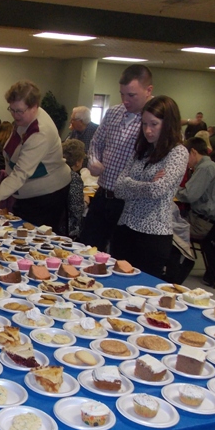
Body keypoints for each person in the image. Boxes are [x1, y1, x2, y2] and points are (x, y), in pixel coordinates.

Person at [110, 95, 189, 278]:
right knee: (116, 280)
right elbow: (119, 188)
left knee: (142, 287)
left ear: (168, 124)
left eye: (154, 124)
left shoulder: (177, 152)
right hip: (125, 227)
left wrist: (131, 183)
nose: (148, 130)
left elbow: (157, 190)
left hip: (153, 234)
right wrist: (146, 183)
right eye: (144, 124)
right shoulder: (142, 150)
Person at [81, 64, 154, 251]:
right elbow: (96, 143)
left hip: (129, 201)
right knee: (87, 247)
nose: (125, 100)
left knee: (119, 253)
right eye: (122, 94)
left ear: (148, 91)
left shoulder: (153, 121)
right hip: (103, 194)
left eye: (131, 95)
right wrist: (93, 160)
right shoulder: (113, 112)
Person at [0, 80, 71, 231]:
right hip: (26, 191)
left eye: (19, 111)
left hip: (47, 194)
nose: (14, 115)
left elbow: (21, 173)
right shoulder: (25, 119)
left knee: (35, 237)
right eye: (12, 109)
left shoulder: (40, 132)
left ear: (34, 106)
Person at [176, 137, 215, 239]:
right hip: (210, 221)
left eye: (185, 156)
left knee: (165, 228)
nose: (184, 161)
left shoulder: (205, 168)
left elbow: (188, 195)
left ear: (193, 152)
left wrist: (171, 188)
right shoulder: (213, 167)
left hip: (201, 224)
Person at [61, 139, 87, 240]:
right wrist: (85, 201)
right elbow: (76, 209)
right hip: (65, 227)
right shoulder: (74, 178)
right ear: (78, 162)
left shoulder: (56, 171)